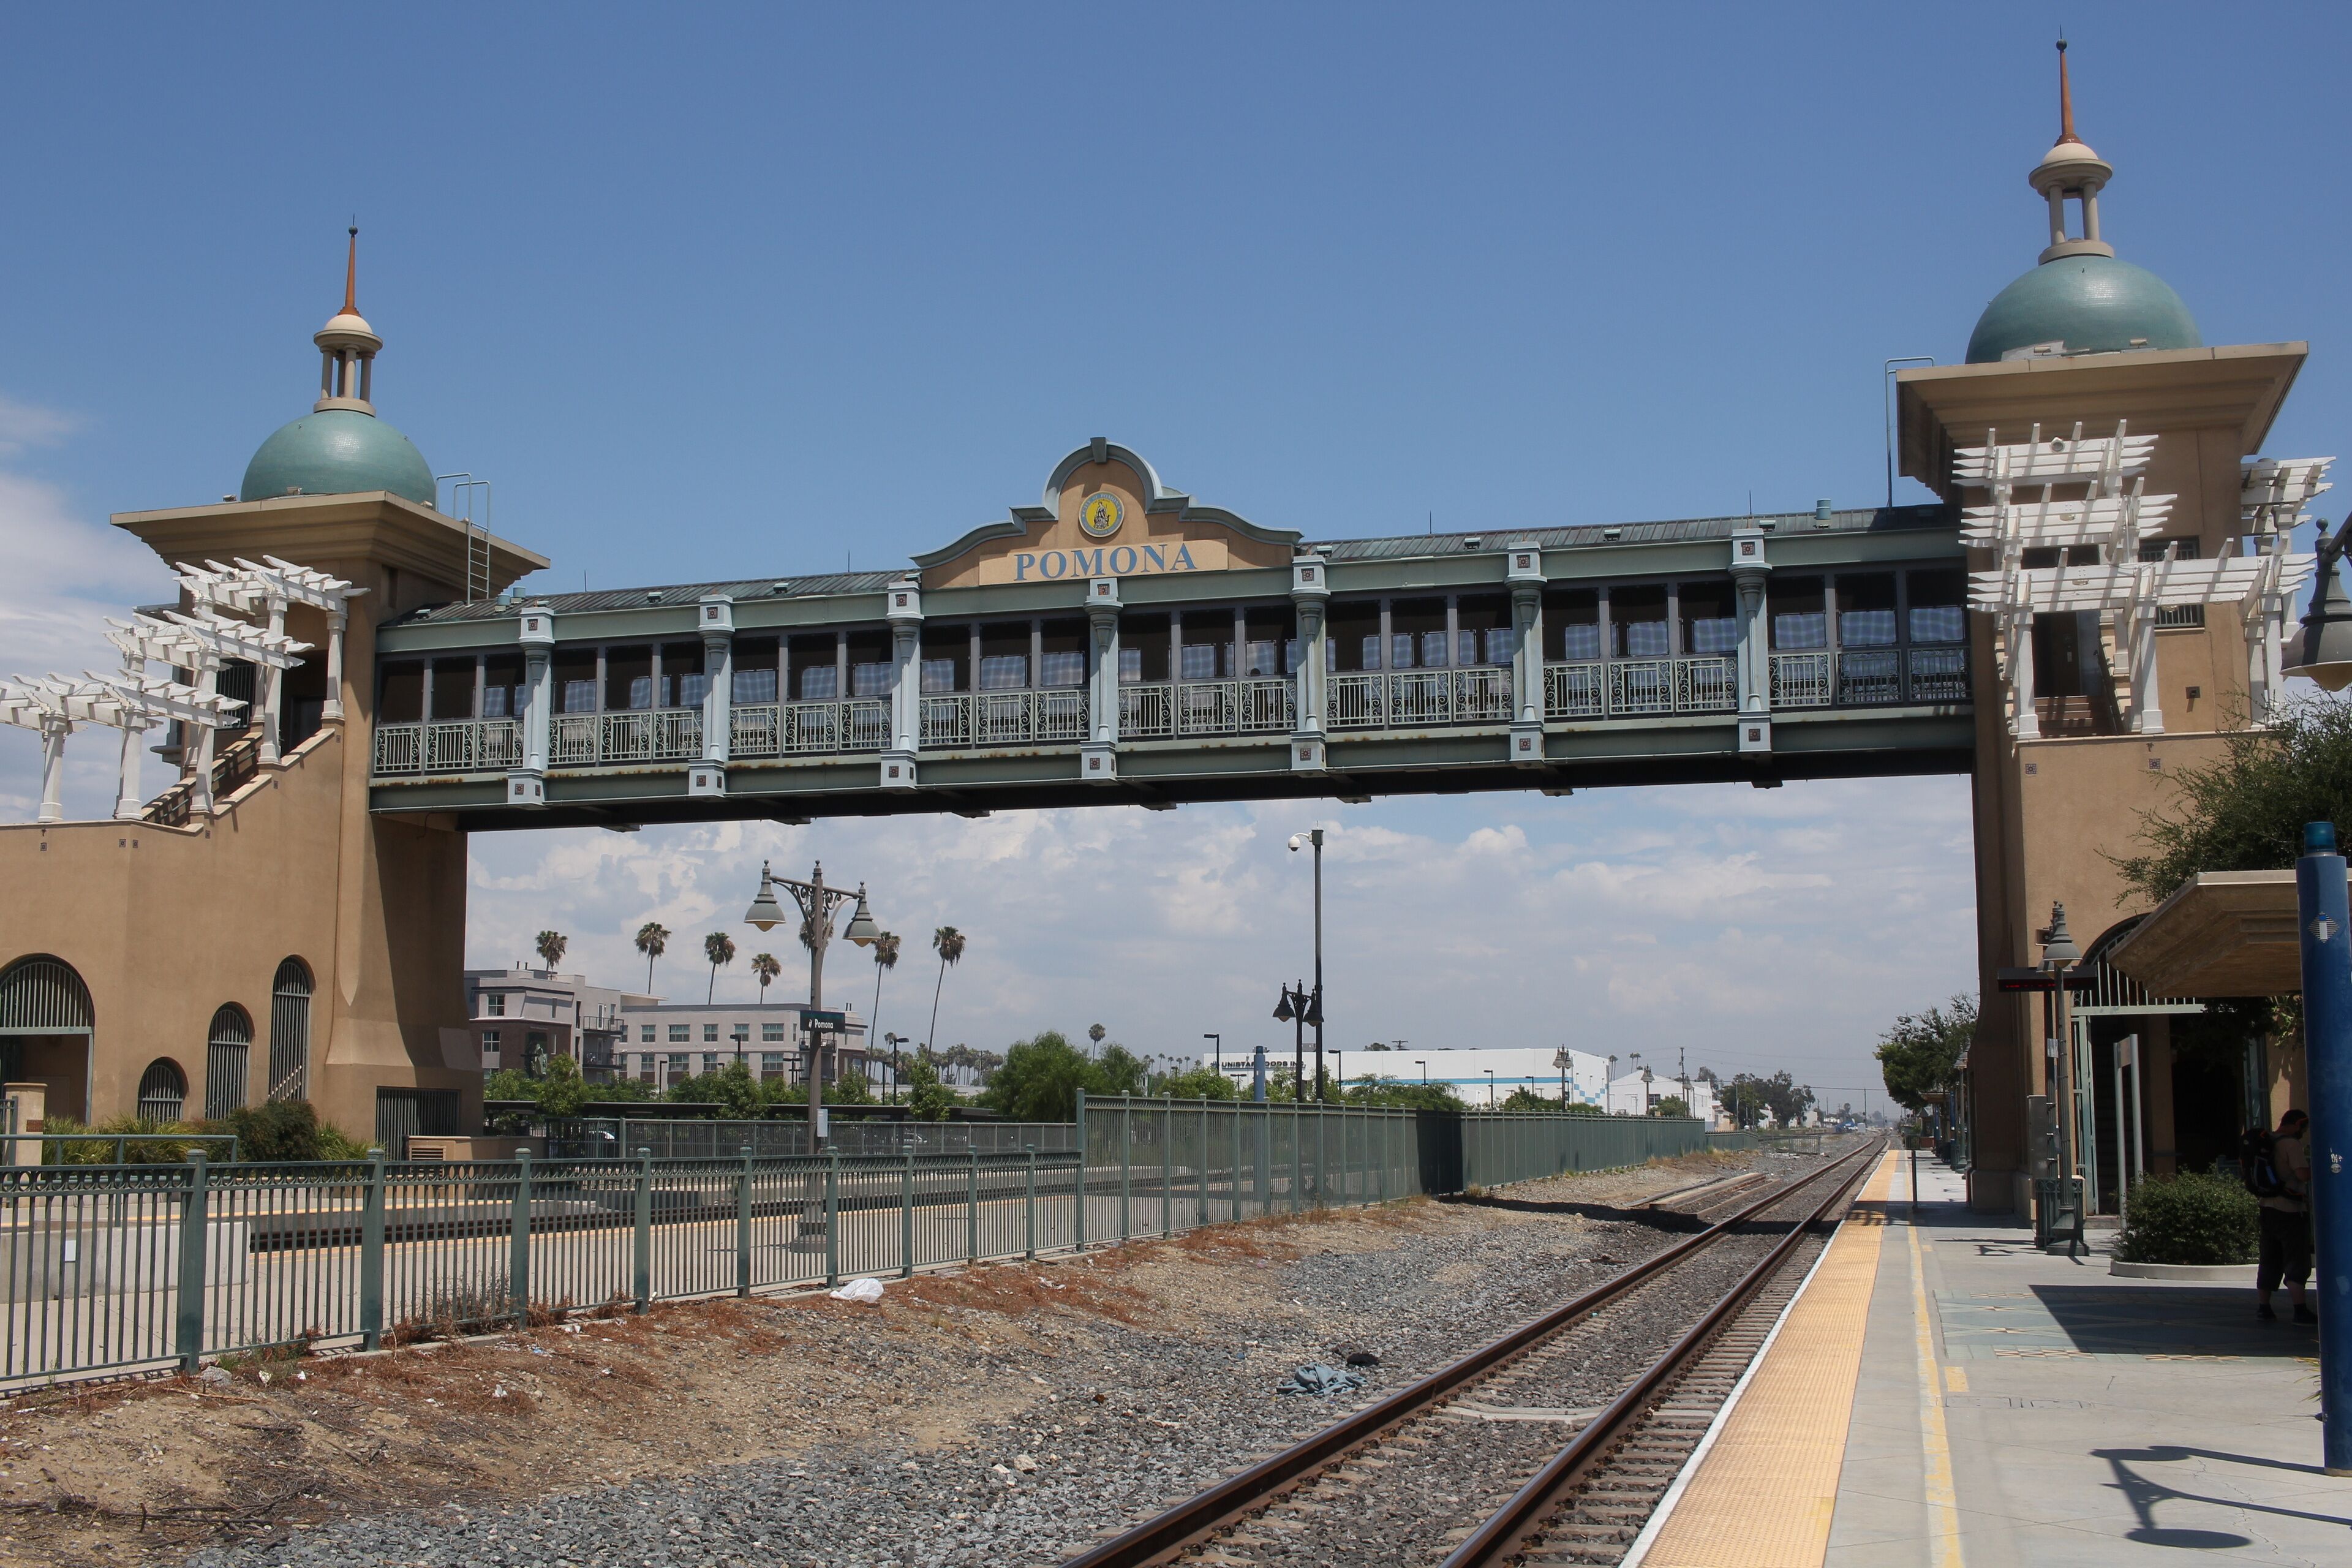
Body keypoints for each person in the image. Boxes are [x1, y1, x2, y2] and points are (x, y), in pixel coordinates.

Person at [2255, 1108, 2316, 1324]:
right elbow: (2302, 1174)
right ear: (2298, 1124)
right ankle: (2300, 1310)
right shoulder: (2291, 1144)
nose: (2304, 1132)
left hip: (2266, 1207)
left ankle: (2264, 1308)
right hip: (2289, 1209)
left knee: (2269, 1258)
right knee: (2296, 1260)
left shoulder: (2267, 1140)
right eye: (2304, 1128)